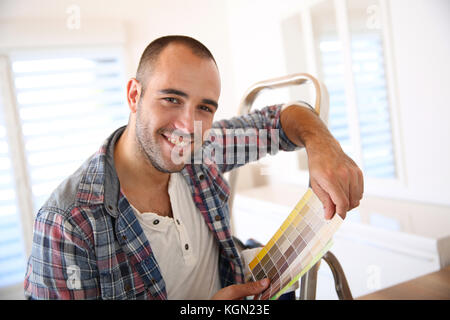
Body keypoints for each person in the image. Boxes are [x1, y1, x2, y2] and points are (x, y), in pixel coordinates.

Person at [24, 35, 363, 300]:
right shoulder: (67, 224)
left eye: (204, 107)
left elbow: (280, 119)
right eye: (172, 99)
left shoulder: (202, 151)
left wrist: (324, 147)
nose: (188, 126)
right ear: (133, 95)